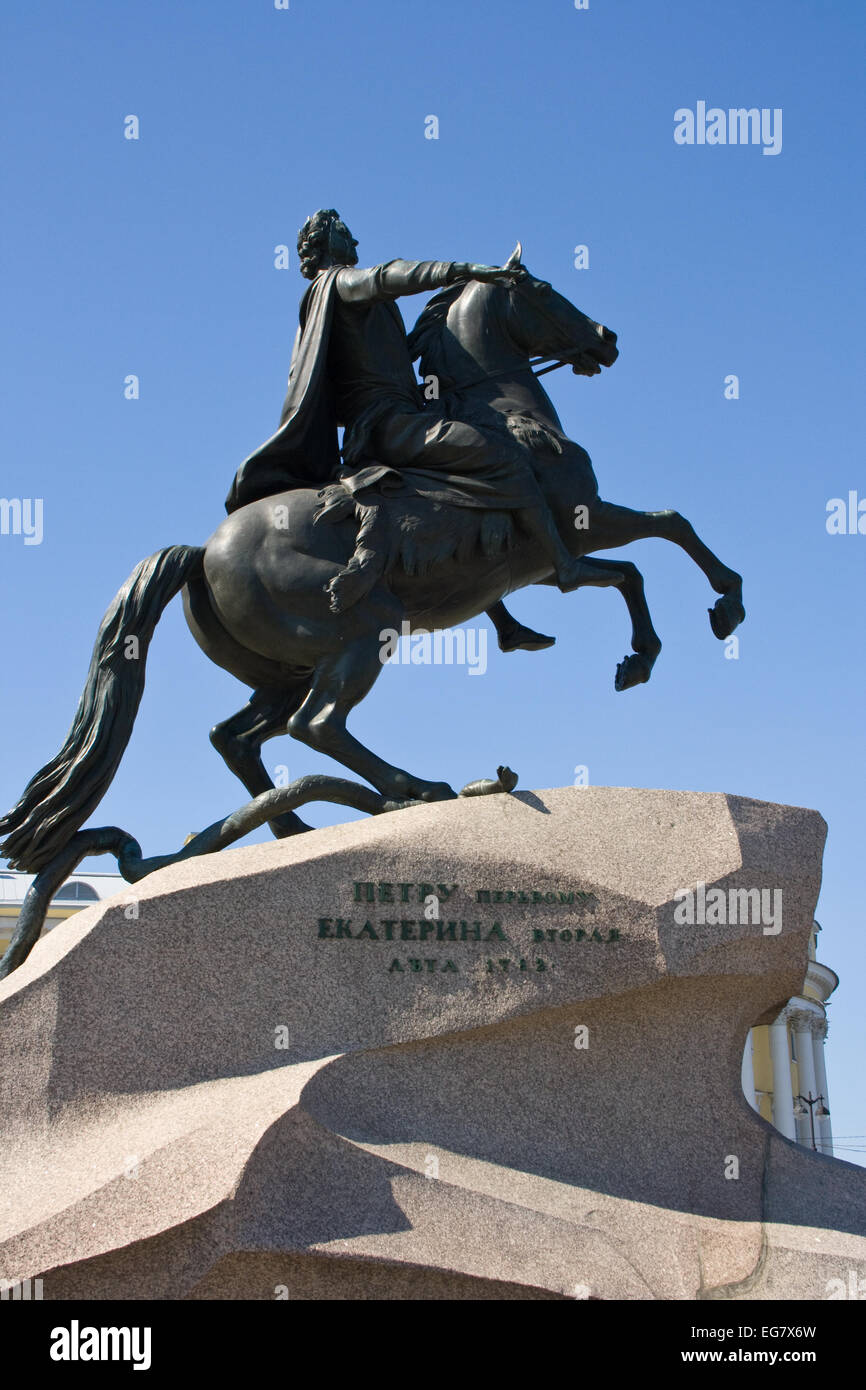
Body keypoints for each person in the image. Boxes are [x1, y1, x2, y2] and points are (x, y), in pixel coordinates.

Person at [225, 210, 602, 633]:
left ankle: (501, 615)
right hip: (390, 425)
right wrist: (463, 270)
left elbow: (384, 363)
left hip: (392, 418)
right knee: (505, 456)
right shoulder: (339, 282)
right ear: (327, 244)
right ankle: (565, 565)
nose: (356, 243)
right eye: (346, 234)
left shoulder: (341, 307)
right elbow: (391, 277)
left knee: (454, 489)